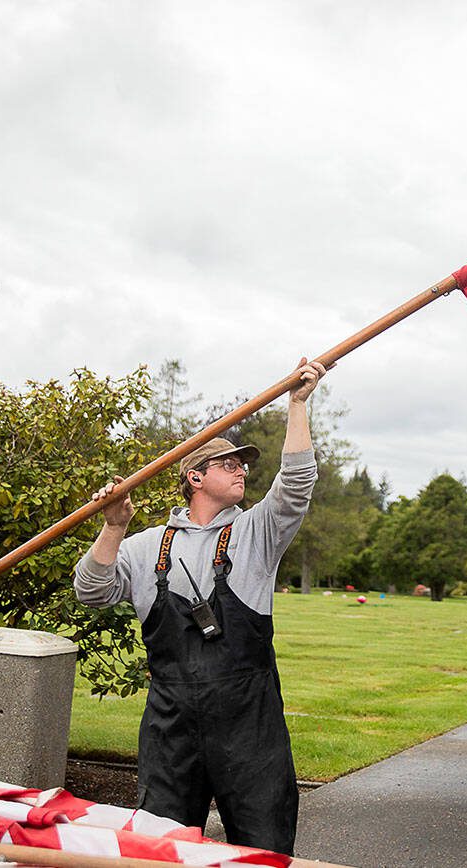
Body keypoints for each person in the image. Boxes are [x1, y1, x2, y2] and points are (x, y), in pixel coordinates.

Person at [73, 357, 326, 856]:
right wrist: (113, 526)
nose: (242, 471)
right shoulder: (146, 546)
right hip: (171, 730)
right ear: (194, 476)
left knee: (264, 852)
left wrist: (297, 404)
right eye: (229, 463)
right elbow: (91, 590)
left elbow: (295, 485)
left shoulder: (255, 533)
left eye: (244, 463)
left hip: (250, 728)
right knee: (159, 853)